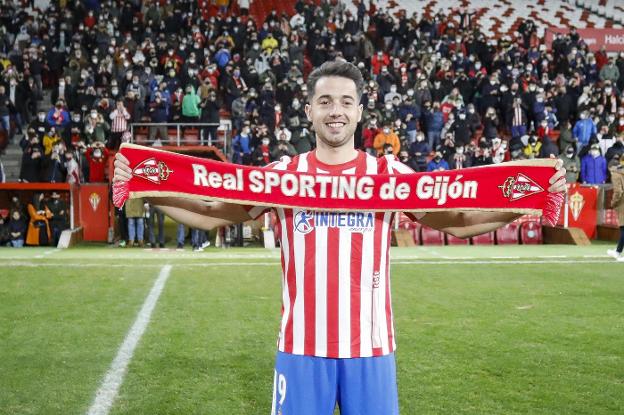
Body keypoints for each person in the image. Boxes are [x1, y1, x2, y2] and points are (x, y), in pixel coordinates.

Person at [114, 60, 566, 415]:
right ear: (309, 110)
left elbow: (455, 219)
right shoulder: (282, 176)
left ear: (360, 112)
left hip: (370, 349)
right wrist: (143, 187)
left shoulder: (388, 176)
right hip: (301, 348)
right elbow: (213, 213)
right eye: (326, 101)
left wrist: (525, 202)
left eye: (346, 102)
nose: (336, 111)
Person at [607, 160, 624, 261]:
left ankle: (618, 252)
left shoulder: (615, 175)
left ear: (611, 168)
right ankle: (618, 251)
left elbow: (618, 191)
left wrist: (613, 203)